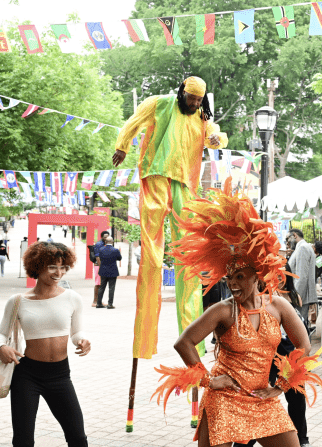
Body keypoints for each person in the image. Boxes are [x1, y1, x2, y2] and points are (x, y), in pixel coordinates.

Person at [158, 178, 318, 447]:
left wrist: (280, 386)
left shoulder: (278, 306)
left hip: (261, 398)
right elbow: (183, 343)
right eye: (229, 278)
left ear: (258, 276)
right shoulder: (223, 311)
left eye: (240, 277)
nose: (232, 283)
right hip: (225, 398)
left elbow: (304, 345)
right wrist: (209, 381)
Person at [113, 75, 229, 359]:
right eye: (192, 99)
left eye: (199, 100)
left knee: (187, 256)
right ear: (182, 94)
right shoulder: (160, 104)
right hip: (156, 174)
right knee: (153, 252)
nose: (195, 104)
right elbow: (132, 122)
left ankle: (194, 342)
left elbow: (218, 136)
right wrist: (122, 145)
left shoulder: (202, 118)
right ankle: (144, 340)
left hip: (184, 183)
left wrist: (216, 139)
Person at [0, 242, 91, 447]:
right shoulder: (17, 300)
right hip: (27, 375)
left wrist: (82, 340)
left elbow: (76, 331)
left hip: (60, 374)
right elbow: (1, 335)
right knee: (23, 440)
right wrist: (1, 347)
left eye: (63, 266)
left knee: (78, 437)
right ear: (37, 266)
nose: (59, 272)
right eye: (52, 266)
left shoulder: (72, 298)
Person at [233, 264, 314, 447]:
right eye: (274, 273)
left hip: (291, 353)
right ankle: (244, 442)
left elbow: (302, 338)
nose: (277, 277)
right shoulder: (261, 298)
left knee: (296, 396)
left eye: (281, 273)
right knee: (260, 399)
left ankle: (301, 438)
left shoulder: (292, 296)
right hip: (270, 354)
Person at [287, 229, 315, 324]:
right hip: (300, 296)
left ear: (294, 235)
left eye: (288, 239)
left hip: (300, 297)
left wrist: (295, 298)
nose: (287, 242)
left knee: (298, 326)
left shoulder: (303, 248)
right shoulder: (302, 248)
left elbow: (301, 276)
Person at [96, 236, 122, 309]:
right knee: (111, 288)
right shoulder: (115, 250)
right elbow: (119, 258)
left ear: (105, 242)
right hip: (112, 271)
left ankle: (98, 303)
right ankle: (110, 304)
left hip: (103, 271)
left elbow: (100, 257)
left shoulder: (101, 249)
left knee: (102, 287)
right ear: (112, 242)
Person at [87, 230, 110, 307]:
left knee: (101, 284)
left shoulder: (105, 243)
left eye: (107, 237)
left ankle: (99, 301)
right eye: (105, 237)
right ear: (102, 237)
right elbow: (97, 256)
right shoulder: (99, 244)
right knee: (98, 284)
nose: (106, 238)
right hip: (99, 266)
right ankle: (95, 302)